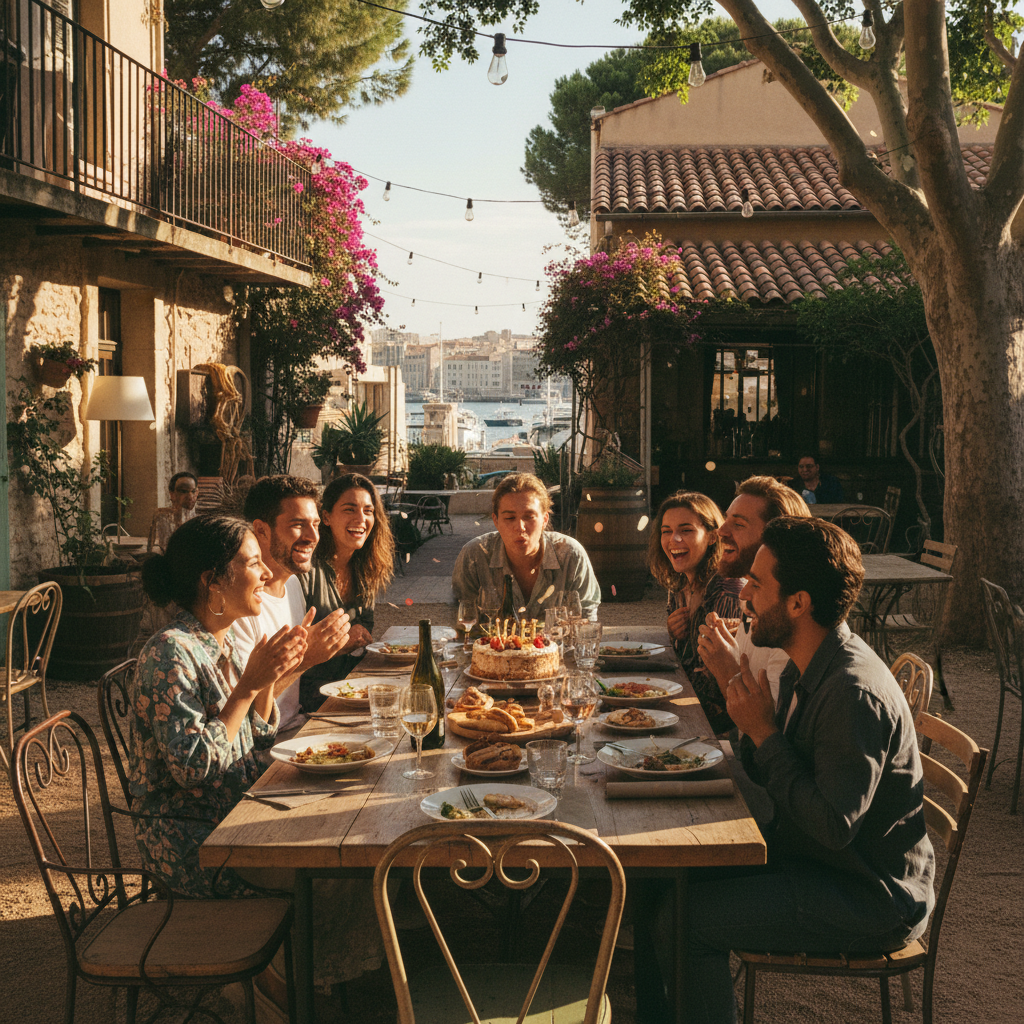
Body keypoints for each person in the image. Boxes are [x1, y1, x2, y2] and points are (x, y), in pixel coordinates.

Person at [679, 517, 935, 1024]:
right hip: (817, 858)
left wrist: (764, 735)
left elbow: (833, 827)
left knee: (685, 920)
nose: (743, 593)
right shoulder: (806, 660)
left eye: (757, 583)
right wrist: (748, 717)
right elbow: (781, 771)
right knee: (663, 879)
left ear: (798, 602)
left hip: (867, 894)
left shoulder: (851, 693)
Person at [129, 513, 308, 898]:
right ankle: (310, 955)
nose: (265, 573)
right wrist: (247, 687)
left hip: (236, 812)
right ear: (212, 581)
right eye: (252, 562)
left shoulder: (219, 642)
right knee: (328, 873)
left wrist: (270, 676)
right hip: (194, 839)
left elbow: (254, 739)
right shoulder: (170, 652)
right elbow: (193, 767)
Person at [232, 475, 353, 740]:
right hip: (262, 745)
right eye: (298, 525)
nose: (312, 537)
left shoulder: (294, 583)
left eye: (316, 525)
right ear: (261, 530)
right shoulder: (239, 604)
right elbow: (241, 710)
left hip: (299, 726)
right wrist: (305, 659)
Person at [697, 476, 811, 709]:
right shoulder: (749, 603)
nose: (721, 531)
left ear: (777, 540)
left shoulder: (790, 618)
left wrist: (727, 670)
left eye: (738, 524)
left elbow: (770, 726)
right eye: (726, 519)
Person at [297, 473, 394, 710]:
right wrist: (342, 642)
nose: (361, 518)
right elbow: (293, 650)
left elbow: (364, 633)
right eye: (350, 509)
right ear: (327, 517)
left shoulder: (366, 567)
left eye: (368, 511)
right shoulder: (306, 570)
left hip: (353, 688)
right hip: (309, 700)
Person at [647, 491, 742, 733]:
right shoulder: (680, 585)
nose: (673, 539)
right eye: (666, 531)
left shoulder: (727, 592)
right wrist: (674, 634)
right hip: (686, 707)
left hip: (715, 726)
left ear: (712, 537)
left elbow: (719, 688)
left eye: (686, 530)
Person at [451, 472, 601, 621]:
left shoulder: (571, 555)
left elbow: (587, 621)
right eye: (510, 518)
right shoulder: (474, 556)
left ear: (544, 519)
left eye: (529, 517)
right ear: (496, 521)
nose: (520, 527)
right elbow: (462, 623)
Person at [147, 471, 199, 553]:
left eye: (193, 491)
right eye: (184, 491)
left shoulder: (199, 520)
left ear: (196, 493)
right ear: (172, 494)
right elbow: (154, 551)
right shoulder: (162, 517)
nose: (190, 496)